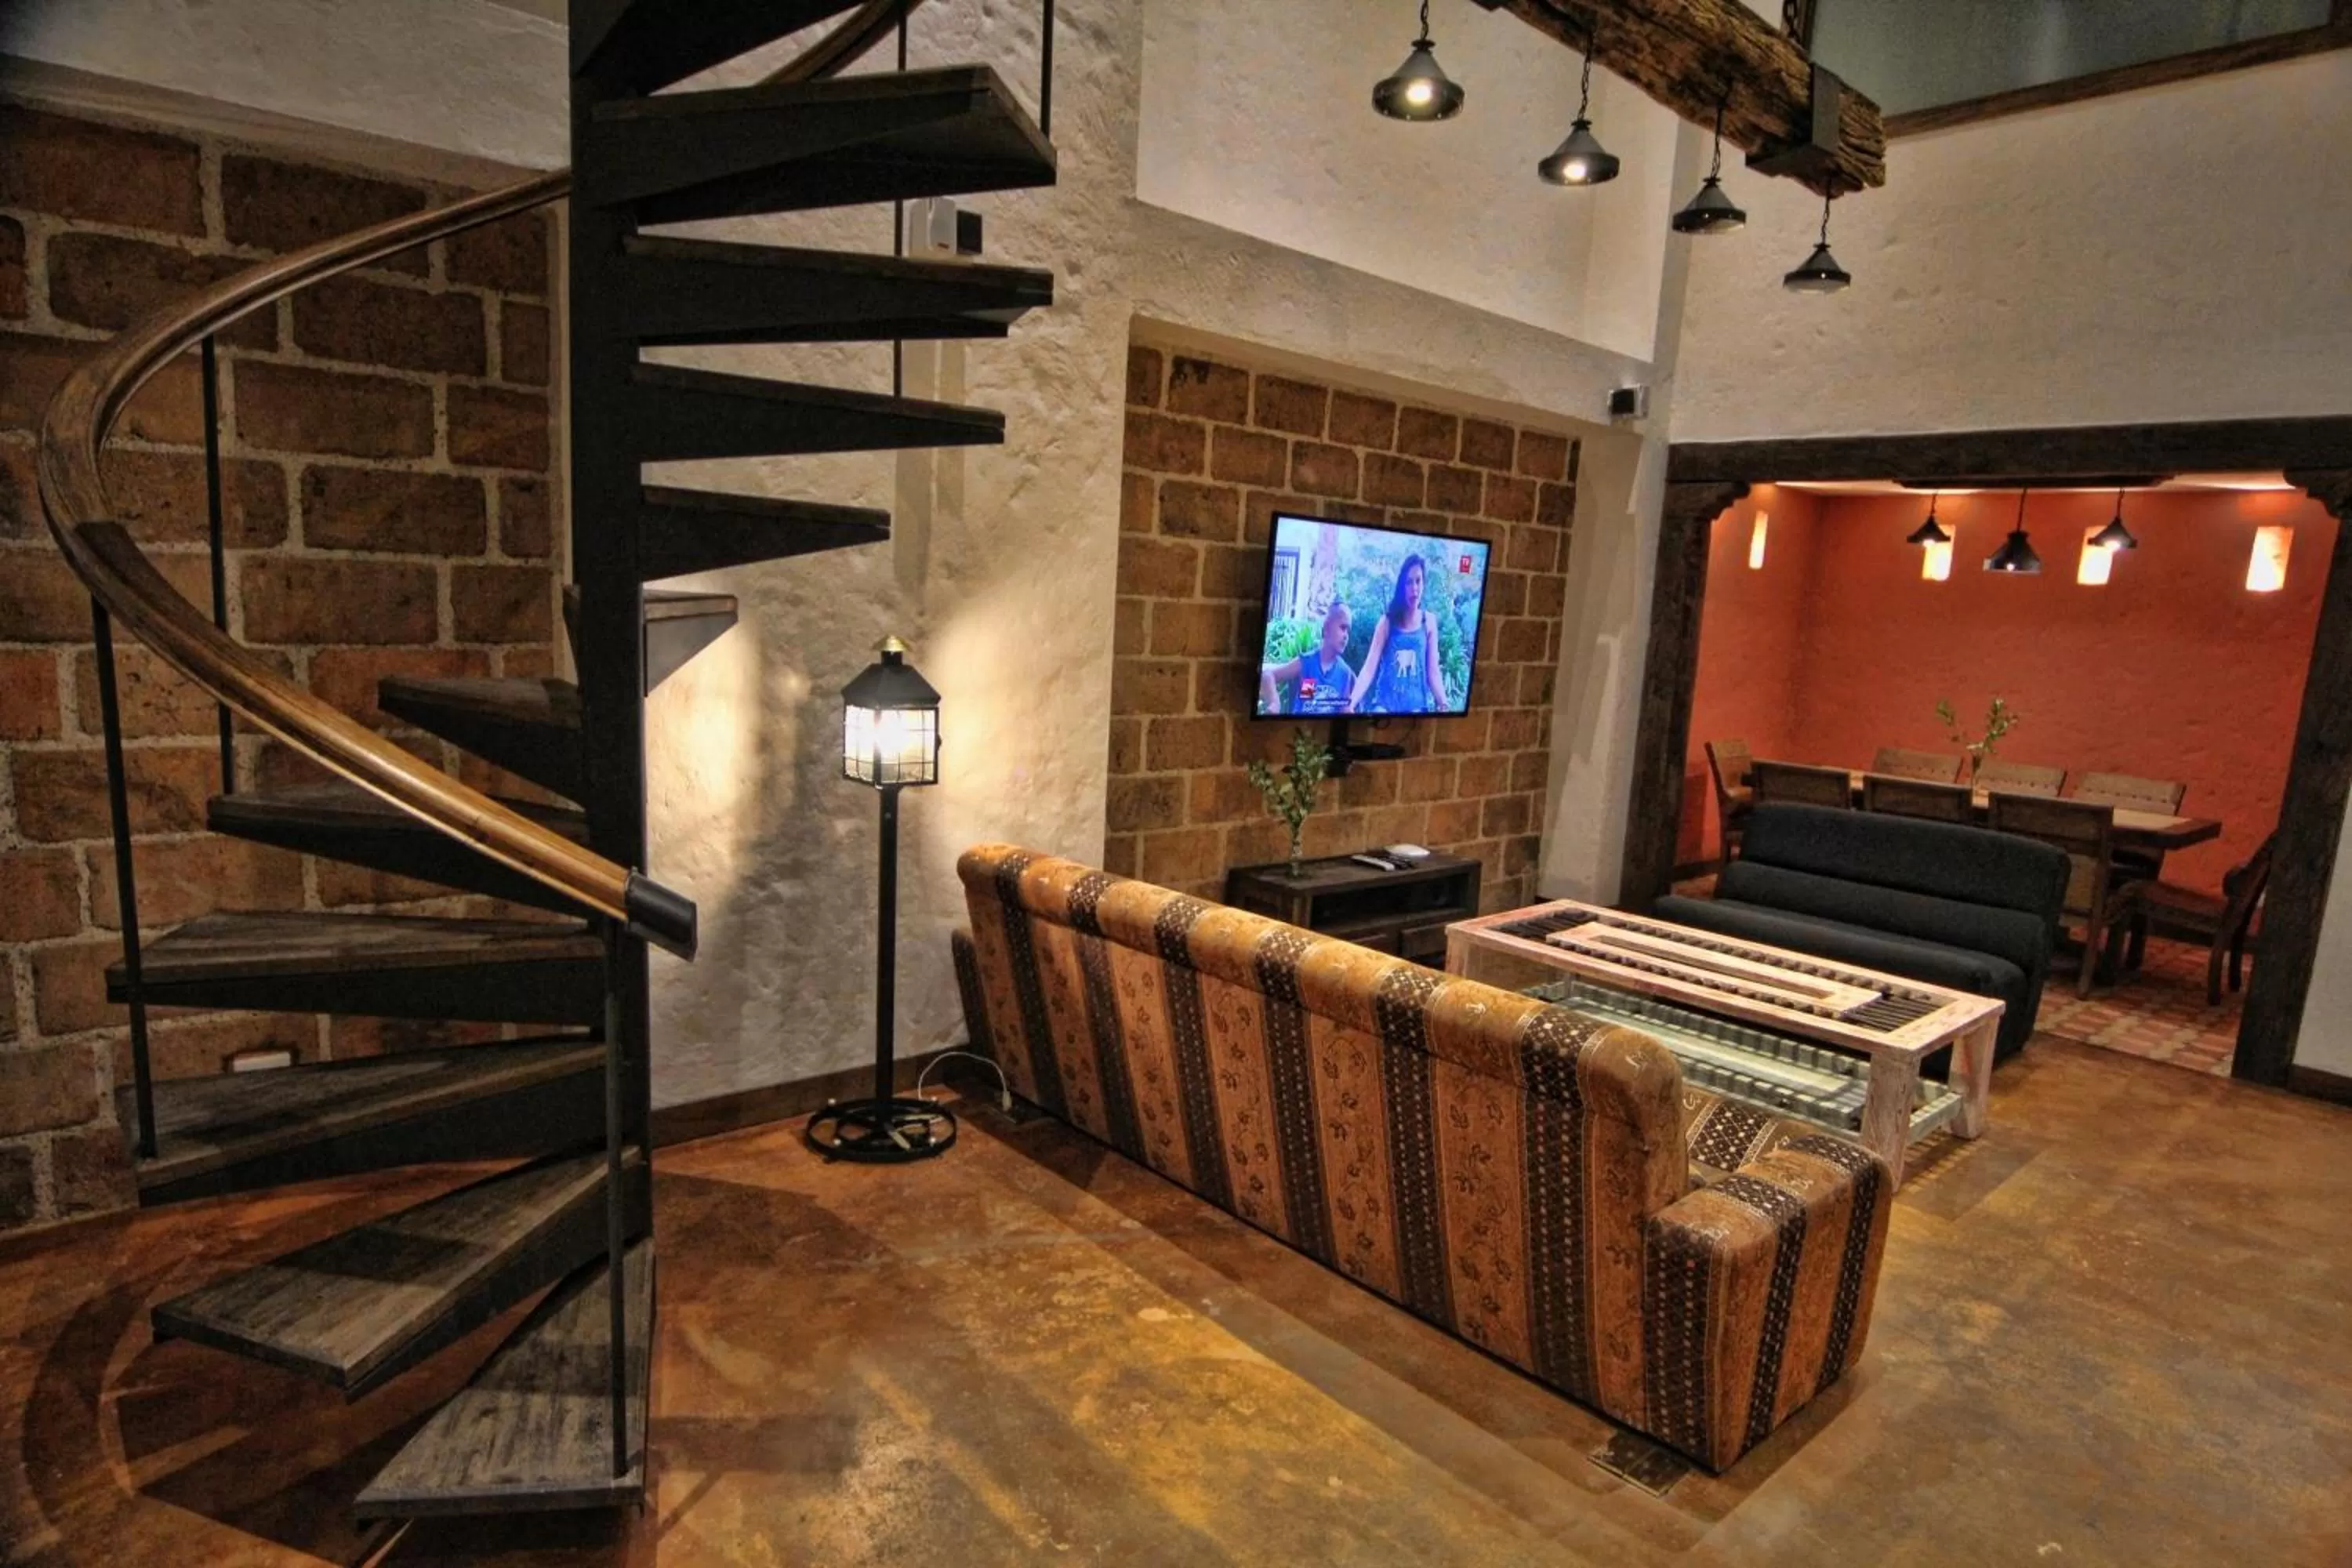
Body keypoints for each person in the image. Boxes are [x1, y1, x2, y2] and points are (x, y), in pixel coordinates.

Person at [1349, 554, 1450, 714]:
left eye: (1418, 581)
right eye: (1409, 582)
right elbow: (1369, 668)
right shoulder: (1386, 623)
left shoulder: (1429, 622)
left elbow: (1433, 672)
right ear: (1402, 586)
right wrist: (1350, 704)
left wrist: (1443, 704)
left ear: (1424, 583)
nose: (1414, 588)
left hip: (1418, 709)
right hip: (1384, 708)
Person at [1260, 601, 1355, 715]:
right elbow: (1268, 674)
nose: (1346, 636)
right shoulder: (1307, 663)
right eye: (1343, 628)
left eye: (1348, 631)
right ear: (1326, 628)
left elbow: (1344, 709)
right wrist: (1275, 703)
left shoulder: (1345, 673)